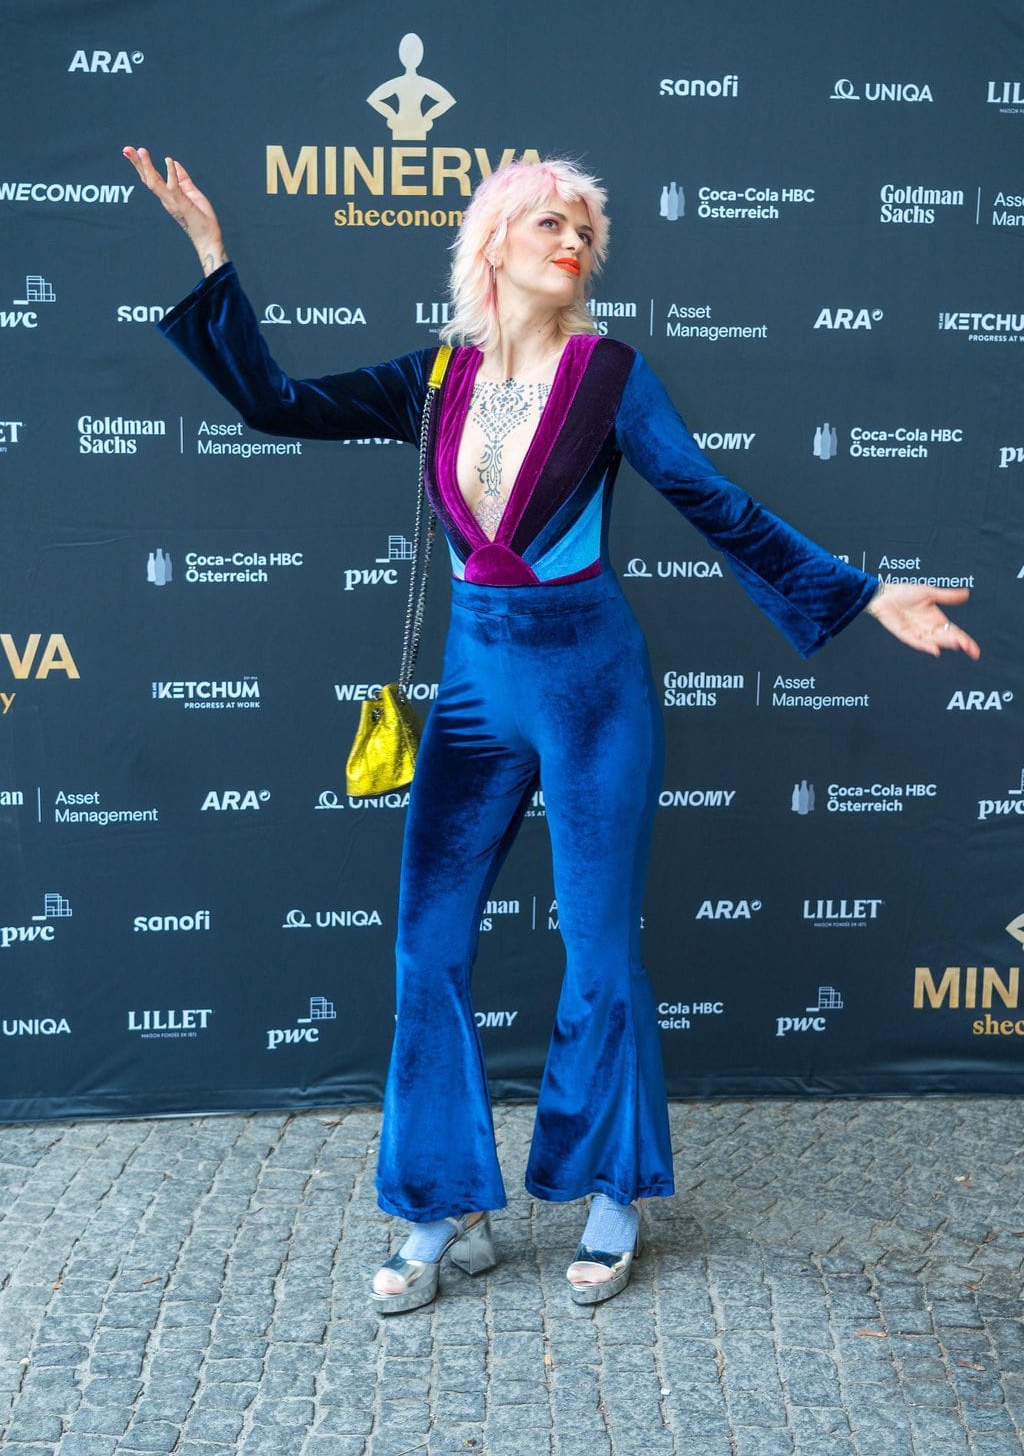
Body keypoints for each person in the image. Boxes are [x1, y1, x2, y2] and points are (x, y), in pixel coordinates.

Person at [122, 146, 980, 1313]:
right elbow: (277, 403)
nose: (572, 240)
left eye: (585, 229)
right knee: (425, 948)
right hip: (475, 691)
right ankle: (443, 1203)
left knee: (597, 949)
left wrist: (863, 592)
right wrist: (211, 252)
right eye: (549, 222)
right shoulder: (434, 377)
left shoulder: (610, 374)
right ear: (492, 240)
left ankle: (613, 1189)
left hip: (591, 687)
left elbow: (714, 501)